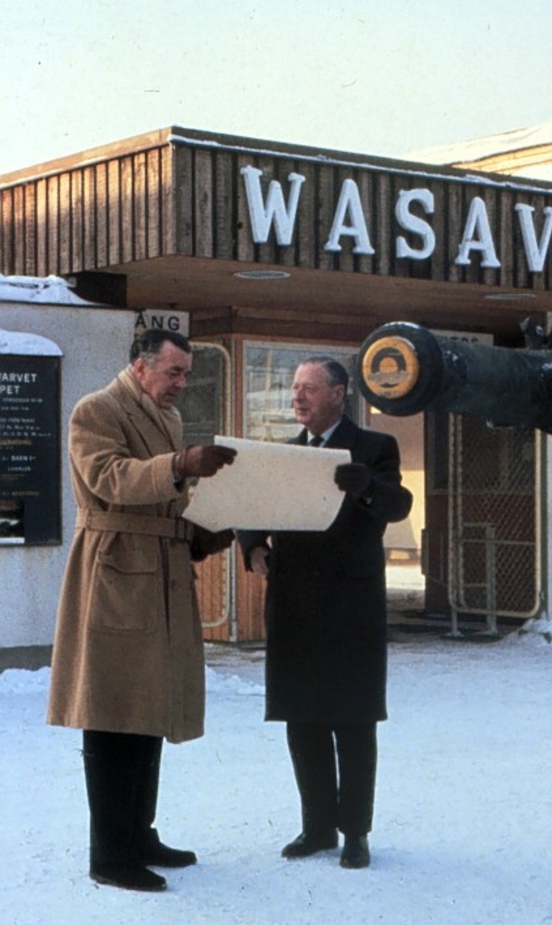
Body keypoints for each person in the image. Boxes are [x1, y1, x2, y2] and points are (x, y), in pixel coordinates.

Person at [47, 329, 237, 892]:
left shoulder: (166, 417)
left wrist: (200, 532)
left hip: (159, 572)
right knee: (112, 713)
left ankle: (138, 834)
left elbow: (166, 501)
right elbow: (110, 477)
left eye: (186, 374)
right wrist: (180, 463)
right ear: (140, 366)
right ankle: (109, 854)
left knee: (148, 708)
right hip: (116, 573)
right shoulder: (96, 410)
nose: (181, 384)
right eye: (173, 372)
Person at [238, 356, 412, 870]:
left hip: (350, 606)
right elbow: (253, 507)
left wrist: (366, 487)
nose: (297, 397)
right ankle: (316, 827)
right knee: (303, 718)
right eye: (295, 388)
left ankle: (355, 831)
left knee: (353, 721)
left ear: (339, 393)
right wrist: (253, 546)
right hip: (294, 604)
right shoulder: (285, 453)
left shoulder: (375, 447)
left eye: (309, 388)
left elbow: (398, 504)